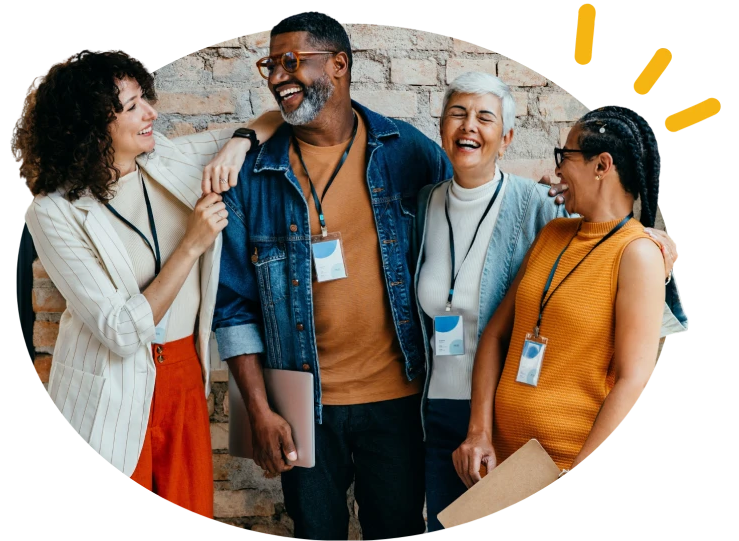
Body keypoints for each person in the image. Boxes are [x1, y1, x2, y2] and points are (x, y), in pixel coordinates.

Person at [211, 12, 566, 540]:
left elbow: (473, 189)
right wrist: (259, 411)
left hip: (401, 403)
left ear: (338, 64)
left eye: (292, 61)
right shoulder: (255, 174)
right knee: (315, 531)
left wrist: (558, 193)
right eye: (271, 64)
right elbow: (234, 306)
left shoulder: (405, 152)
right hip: (301, 403)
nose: (278, 75)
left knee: (397, 528)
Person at [412, 73, 687, 533]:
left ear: (602, 166)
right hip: (503, 462)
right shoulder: (553, 232)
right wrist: (480, 430)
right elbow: (496, 335)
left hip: (561, 462)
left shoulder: (637, 254)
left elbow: (632, 382)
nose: (556, 169)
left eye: (566, 157)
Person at [15, 48, 283, 519]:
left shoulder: (169, 159)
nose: (151, 113)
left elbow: (275, 118)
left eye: (145, 98)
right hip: (108, 388)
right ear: (93, 127)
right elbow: (120, 331)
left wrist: (238, 143)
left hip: (182, 373)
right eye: (133, 106)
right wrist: (192, 245)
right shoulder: (52, 212)